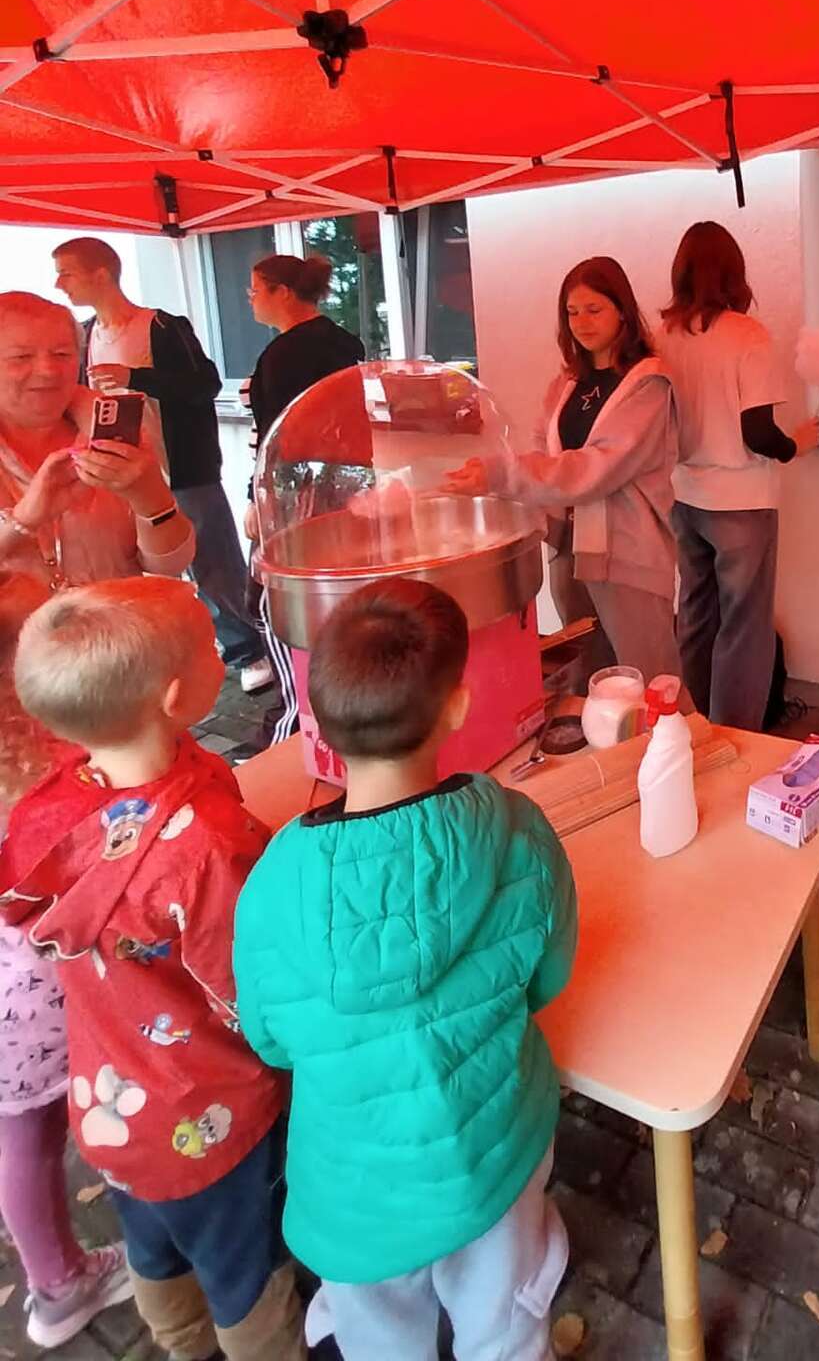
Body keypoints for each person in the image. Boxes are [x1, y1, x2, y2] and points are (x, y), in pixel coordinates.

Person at [234, 579, 577, 1361]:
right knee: (507, 1331)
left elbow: (270, 1038)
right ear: (457, 707)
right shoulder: (520, 833)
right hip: (492, 1157)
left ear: (320, 718)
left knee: (377, 1343)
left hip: (351, 1195)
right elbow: (548, 979)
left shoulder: (271, 881)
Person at [0, 577, 305, 1359]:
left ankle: (178, 1344)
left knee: (154, 1247)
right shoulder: (204, 849)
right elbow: (247, 993)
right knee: (247, 1274)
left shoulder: (45, 809)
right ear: (174, 696)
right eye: (209, 645)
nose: (221, 654)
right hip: (210, 1118)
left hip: (109, 1106)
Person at [0, 571, 135, 1351]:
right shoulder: (53, 768)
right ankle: (156, 1237)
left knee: (21, 1139)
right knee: (108, 1095)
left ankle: (54, 1287)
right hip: (42, 989)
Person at [445, 257, 683, 689]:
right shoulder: (569, 382)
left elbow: (597, 467)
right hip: (570, 549)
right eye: (572, 312)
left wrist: (503, 476)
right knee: (590, 678)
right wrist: (499, 479)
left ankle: (673, 737)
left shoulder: (648, 384)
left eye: (594, 310)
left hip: (628, 553)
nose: (581, 323)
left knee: (651, 681)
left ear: (622, 311)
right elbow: (544, 451)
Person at [52, 236, 275, 695]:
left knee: (211, 559)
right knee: (142, 567)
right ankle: (169, 650)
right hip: (118, 476)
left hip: (182, 469)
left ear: (101, 274)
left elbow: (204, 384)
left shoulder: (160, 326)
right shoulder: (85, 335)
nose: (59, 284)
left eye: (66, 273)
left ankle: (249, 648)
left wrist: (135, 377)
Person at [661, 223, 819, 729]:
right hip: (741, 500)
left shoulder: (663, 338)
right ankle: (735, 737)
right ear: (735, 272)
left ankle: (694, 724)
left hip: (683, 495)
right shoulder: (747, 335)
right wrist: (798, 445)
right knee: (744, 626)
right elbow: (759, 432)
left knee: (695, 614)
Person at [243, 254, 365, 739]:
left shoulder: (282, 356)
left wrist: (257, 501)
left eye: (255, 290)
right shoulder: (343, 341)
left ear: (283, 293)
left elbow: (278, 440)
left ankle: (292, 720)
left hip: (299, 494)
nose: (250, 300)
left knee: (272, 603)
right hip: (348, 488)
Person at [0, 292, 196, 593]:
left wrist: (150, 496)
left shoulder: (112, 434)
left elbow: (171, 564)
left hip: (117, 620)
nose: (48, 370)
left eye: (62, 355)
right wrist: (25, 518)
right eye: (21, 357)